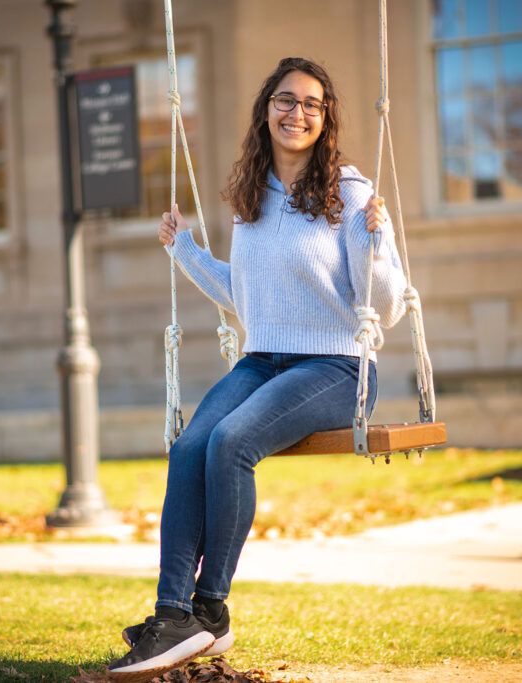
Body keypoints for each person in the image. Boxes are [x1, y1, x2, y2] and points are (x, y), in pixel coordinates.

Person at [107, 57, 407, 682]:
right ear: (266, 109)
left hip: (338, 366)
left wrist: (373, 245)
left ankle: (211, 609)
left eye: (312, 104)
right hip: (263, 358)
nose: (298, 113)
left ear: (325, 120)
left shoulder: (349, 194)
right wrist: (185, 250)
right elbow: (246, 296)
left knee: (231, 442)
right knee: (190, 445)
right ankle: (171, 613)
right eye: (286, 100)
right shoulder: (251, 195)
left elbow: (381, 306)